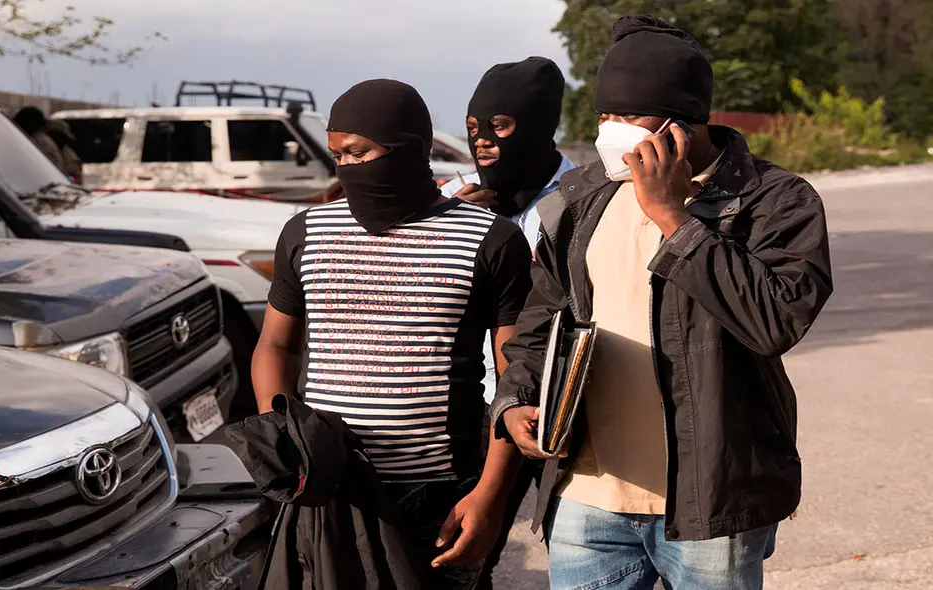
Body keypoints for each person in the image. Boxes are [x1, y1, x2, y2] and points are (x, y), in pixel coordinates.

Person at [490, 15, 833, 590]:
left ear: (686, 122)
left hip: (709, 506)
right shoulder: (581, 201)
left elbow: (776, 319)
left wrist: (673, 217)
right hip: (588, 500)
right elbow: (538, 322)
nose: (611, 130)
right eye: (605, 116)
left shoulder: (776, 201)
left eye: (628, 116)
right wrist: (515, 398)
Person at [252, 79, 532, 589]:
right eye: (339, 155)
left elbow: (518, 373)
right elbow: (276, 344)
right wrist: (286, 437)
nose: (348, 168)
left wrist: (490, 496)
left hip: (441, 494)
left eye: (360, 153)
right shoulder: (307, 231)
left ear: (408, 148)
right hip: (331, 489)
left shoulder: (490, 239)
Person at [438, 56, 575, 589]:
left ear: (541, 126)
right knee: (463, 561)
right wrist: (452, 225)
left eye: (501, 126)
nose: (485, 142)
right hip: (479, 416)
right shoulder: (453, 199)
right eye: (474, 128)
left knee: (581, 556)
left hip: (562, 411)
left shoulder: (586, 198)